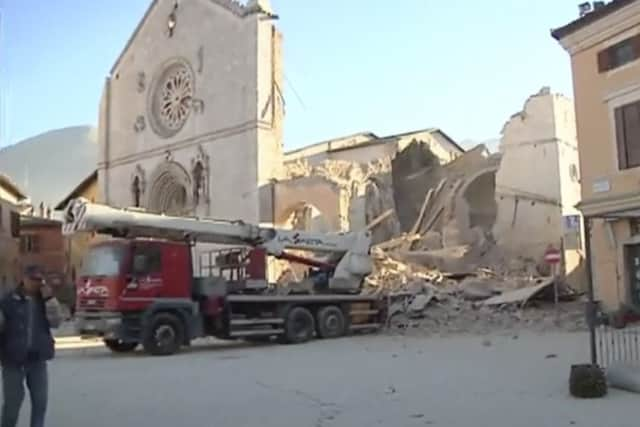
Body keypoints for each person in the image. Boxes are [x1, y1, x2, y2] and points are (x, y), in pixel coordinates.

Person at [0, 266, 62, 427]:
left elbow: (56, 322)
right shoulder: (8, 300)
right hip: (13, 360)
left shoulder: (44, 301)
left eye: (39, 280)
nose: (36, 284)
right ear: (24, 279)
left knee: (40, 402)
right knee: (12, 404)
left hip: (37, 359)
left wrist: (50, 300)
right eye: (33, 279)